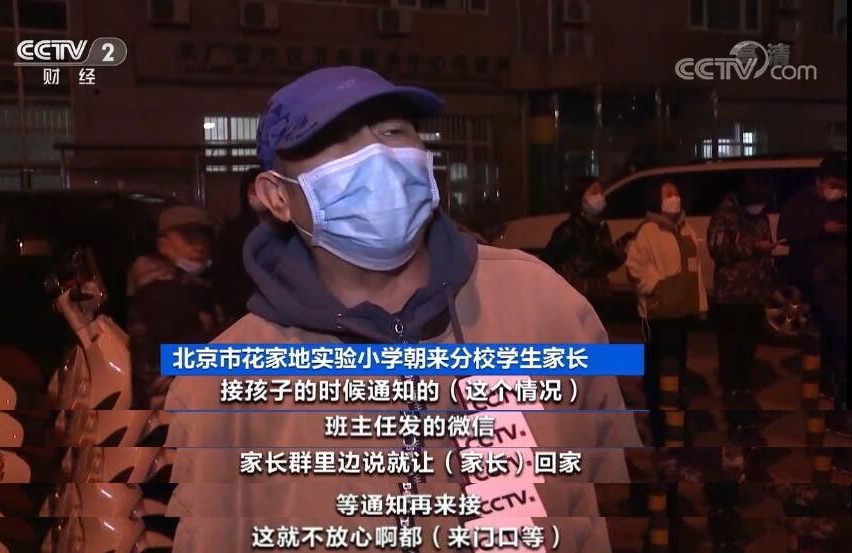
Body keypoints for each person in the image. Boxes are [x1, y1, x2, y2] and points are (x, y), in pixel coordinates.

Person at [163, 66, 640, 552]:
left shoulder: (546, 305)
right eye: (336, 142)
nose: (379, 157)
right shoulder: (222, 386)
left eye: (393, 131)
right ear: (277, 197)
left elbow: (598, 498)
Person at [625, 180, 707, 444]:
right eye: (668, 193)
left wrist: (699, 303)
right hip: (658, 315)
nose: (675, 197)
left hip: (681, 312)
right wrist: (658, 287)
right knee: (656, 372)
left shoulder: (686, 228)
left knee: (676, 371)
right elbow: (634, 268)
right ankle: (658, 429)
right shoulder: (647, 230)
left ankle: (675, 425)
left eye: (676, 192)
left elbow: (694, 269)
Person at [126, 205, 223, 409]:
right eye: (188, 236)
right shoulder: (161, 290)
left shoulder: (196, 285)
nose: (198, 244)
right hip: (168, 402)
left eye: (203, 236)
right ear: (163, 244)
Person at [778, 153, 848, 434]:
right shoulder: (800, 204)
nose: (837, 191)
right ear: (819, 181)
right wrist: (820, 230)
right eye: (833, 184)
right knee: (824, 348)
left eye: (842, 186)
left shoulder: (844, 206)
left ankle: (835, 403)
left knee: (838, 347)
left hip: (839, 287)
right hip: (814, 288)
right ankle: (827, 406)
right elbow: (788, 235)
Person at [707, 176, 775, 446]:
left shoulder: (761, 218)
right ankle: (731, 392)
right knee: (731, 347)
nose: (760, 207)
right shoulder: (724, 217)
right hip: (731, 295)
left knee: (748, 347)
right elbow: (717, 249)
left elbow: (766, 247)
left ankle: (744, 389)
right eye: (756, 202)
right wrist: (752, 247)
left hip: (754, 294)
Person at [543, 176, 633, 322]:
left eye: (601, 192)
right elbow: (548, 262)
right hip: (575, 300)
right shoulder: (568, 229)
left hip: (599, 299)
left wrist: (620, 252)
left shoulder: (602, 228)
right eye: (594, 192)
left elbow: (604, 264)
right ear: (581, 198)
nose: (600, 197)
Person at [212, 167, 266, 324]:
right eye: (253, 191)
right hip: (241, 311)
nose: (258, 195)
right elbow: (222, 272)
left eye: (263, 190)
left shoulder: (287, 228)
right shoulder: (232, 230)